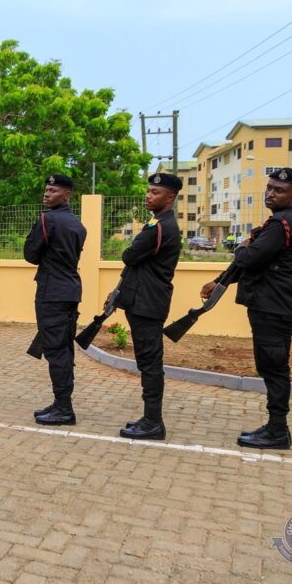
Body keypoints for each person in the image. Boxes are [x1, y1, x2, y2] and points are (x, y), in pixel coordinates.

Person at [201, 168, 292, 450]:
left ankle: (278, 431)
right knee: (271, 365)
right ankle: (275, 427)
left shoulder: (283, 223)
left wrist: (242, 247)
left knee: (273, 367)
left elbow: (249, 258)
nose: (271, 193)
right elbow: (253, 261)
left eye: (279, 190)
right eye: (270, 187)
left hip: (273, 306)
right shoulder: (282, 221)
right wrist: (221, 281)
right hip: (273, 304)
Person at [115, 173, 182, 441]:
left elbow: (129, 255)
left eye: (155, 192)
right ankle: (149, 419)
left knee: (150, 363)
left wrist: (133, 251)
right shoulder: (158, 222)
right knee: (147, 361)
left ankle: (153, 422)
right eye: (148, 191)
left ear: (170, 197)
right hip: (145, 300)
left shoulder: (160, 227)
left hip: (148, 302)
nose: (148, 196)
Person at [24, 174, 87, 425]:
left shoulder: (47, 220)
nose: (47, 193)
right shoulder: (78, 224)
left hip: (52, 291)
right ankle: (61, 402)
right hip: (71, 290)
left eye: (53, 190)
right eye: (47, 189)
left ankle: (64, 409)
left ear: (67, 195)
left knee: (55, 351)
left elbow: (30, 254)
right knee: (64, 349)